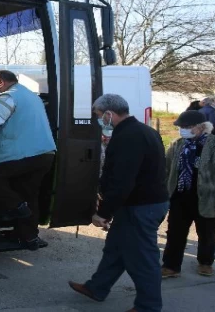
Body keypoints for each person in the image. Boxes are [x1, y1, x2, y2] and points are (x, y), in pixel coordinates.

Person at [68, 94, 170, 312]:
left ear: (108, 114)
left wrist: (103, 213)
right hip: (141, 204)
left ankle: (148, 306)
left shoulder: (128, 137)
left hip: (141, 207)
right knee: (115, 250)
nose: (98, 121)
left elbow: (122, 181)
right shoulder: (143, 131)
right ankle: (97, 288)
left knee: (143, 259)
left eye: (98, 116)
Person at [161, 111, 215, 279]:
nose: (183, 130)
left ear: (202, 127)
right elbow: (166, 169)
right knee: (175, 233)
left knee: (207, 233)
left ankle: (205, 263)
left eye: (187, 127)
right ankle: (171, 266)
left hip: (208, 198)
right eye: (181, 127)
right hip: (180, 197)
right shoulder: (177, 144)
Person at [0, 70, 56, 250]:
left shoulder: (9, 96)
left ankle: (15, 206)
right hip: (45, 154)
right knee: (29, 195)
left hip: (21, 155)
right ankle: (30, 237)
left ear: (0, 82)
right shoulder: (32, 97)